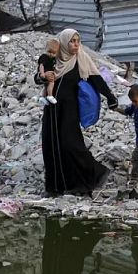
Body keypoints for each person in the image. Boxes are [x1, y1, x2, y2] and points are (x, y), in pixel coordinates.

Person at [39, 29, 118, 197]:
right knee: (50, 145)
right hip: (51, 109)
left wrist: (111, 97)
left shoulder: (81, 60)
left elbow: (97, 79)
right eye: (72, 41)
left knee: (71, 144)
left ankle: (93, 174)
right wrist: (43, 76)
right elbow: (38, 77)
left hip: (69, 110)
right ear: (64, 43)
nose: (75, 44)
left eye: (77, 41)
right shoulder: (54, 59)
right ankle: (55, 187)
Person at [33, 36, 60, 106]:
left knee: (46, 86)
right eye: (49, 52)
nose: (51, 54)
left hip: (48, 73)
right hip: (45, 73)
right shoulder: (44, 56)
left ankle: (42, 97)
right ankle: (50, 96)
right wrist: (42, 73)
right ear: (46, 49)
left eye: (54, 53)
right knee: (51, 83)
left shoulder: (54, 58)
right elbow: (41, 65)